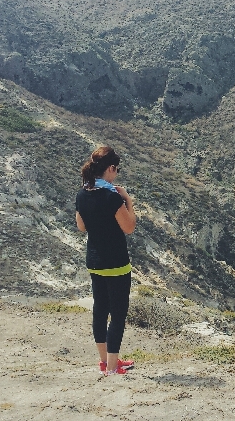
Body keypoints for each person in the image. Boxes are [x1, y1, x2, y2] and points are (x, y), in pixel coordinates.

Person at [75, 145, 137, 376]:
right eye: (117, 169)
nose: (117, 173)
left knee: (100, 309)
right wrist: (127, 200)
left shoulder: (83, 193)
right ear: (110, 168)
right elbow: (129, 227)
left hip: (94, 261)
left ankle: (104, 362)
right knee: (118, 313)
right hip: (116, 262)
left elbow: (81, 226)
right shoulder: (111, 197)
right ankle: (112, 368)